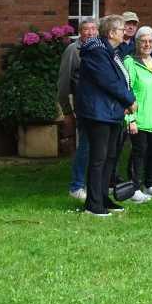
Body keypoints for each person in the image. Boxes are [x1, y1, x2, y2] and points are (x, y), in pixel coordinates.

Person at [75, 15, 136, 216]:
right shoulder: (96, 52)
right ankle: (93, 204)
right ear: (111, 33)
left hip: (110, 112)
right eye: (121, 29)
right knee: (98, 158)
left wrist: (124, 101)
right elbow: (109, 82)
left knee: (110, 158)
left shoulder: (111, 52)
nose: (124, 32)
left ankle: (102, 198)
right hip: (98, 113)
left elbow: (119, 79)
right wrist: (129, 100)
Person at [122, 26, 152, 201]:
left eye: (150, 41)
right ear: (137, 43)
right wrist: (130, 119)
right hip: (139, 119)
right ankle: (134, 188)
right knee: (139, 152)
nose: (147, 44)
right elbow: (126, 91)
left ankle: (151, 184)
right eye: (143, 41)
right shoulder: (130, 62)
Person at [58, 17, 97, 202]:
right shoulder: (73, 50)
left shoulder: (99, 48)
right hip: (81, 104)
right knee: (85, 145)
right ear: (79, 32)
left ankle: (92, 184)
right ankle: (77, 185)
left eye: (92, 29)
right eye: (85, 29)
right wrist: (66, 110)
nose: (89, 32)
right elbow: (64, 82)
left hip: (97, 105)